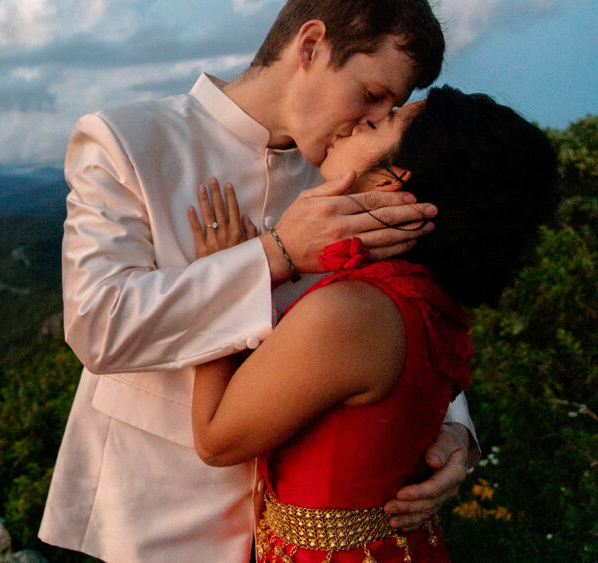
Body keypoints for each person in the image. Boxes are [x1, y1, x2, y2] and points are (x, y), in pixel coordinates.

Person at [39, 0, 474, 562]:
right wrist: (274, 254)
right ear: (311, 45)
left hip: (300, 535)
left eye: (392, 107)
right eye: (373, 93)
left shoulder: (351, 172)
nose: (372, 121)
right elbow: (97, 325)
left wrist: (454, 426)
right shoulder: (126, 140)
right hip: (142, 522)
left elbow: (409, 305)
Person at [191, 86, 559, 561]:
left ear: (392, 181)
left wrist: (225, 280)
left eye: (384, 123)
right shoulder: (421, 293)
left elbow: (216, 440)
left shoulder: (354, 311)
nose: (363, 119)